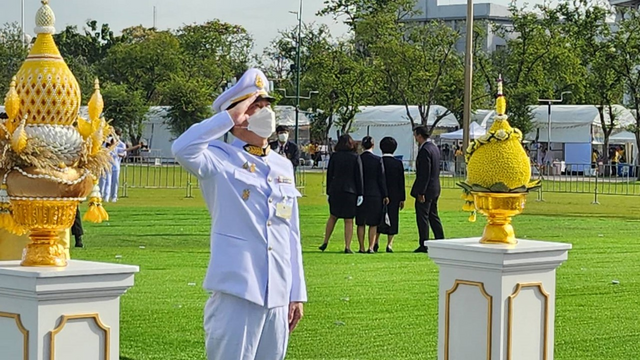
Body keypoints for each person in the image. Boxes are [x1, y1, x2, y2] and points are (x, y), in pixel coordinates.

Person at [171, 68, 306, 360]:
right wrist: (230, 117)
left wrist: (297, 292)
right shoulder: (219, 159)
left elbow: (290, 233)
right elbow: (182, 148)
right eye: (255, 106)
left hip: (278, 294)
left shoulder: (283, 166)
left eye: (266, 106)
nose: (265, 113)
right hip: (238, 291)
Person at [319, 134, 363, 254]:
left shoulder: (334, 156)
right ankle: (347, 246)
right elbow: (358, 176)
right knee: (348, 220)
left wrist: (328, 191)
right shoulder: (355, 157)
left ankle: (325, 241)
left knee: (333, 216)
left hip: (335, 190)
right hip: (350, 191)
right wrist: (360, 193)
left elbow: (330, 175)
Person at [410, 125, 444, 253]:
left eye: (415, 135)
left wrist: (421, 192)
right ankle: (440, 239)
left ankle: (424, 243)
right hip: (435, 187)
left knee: (422, 216)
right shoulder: (434, 148)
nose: (415, 137)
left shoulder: (424, 150)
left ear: (419, 135)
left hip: (427, 189)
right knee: (433, 215)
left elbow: (425, 173)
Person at [356, 136, 388, 254]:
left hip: (361, 193)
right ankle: (371, 247)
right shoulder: (378, 159)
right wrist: (385, 194)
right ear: (373, 145)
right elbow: (381, 178)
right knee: (373, 223)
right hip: (375, 194)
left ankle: (361, 247)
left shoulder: (358, 159)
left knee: (361, 222)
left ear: (362, 146)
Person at [375, 137, 406, 253]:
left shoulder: (379, 161)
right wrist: (402, 198)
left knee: (378, 218)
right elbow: (401, 182)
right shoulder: (398, 163)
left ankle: (376, 241)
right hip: (395, 195)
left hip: (380, 194)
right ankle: (389, 244)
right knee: (393, 218)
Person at [101, 129, 127, 202]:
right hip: (108, 166)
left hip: (116, 166)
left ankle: (114, 197)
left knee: (115, 182)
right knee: (107, 182)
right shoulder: (107, 142)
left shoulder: (121, 144)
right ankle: (106, 196)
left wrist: (118, 154)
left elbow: (124, 154)